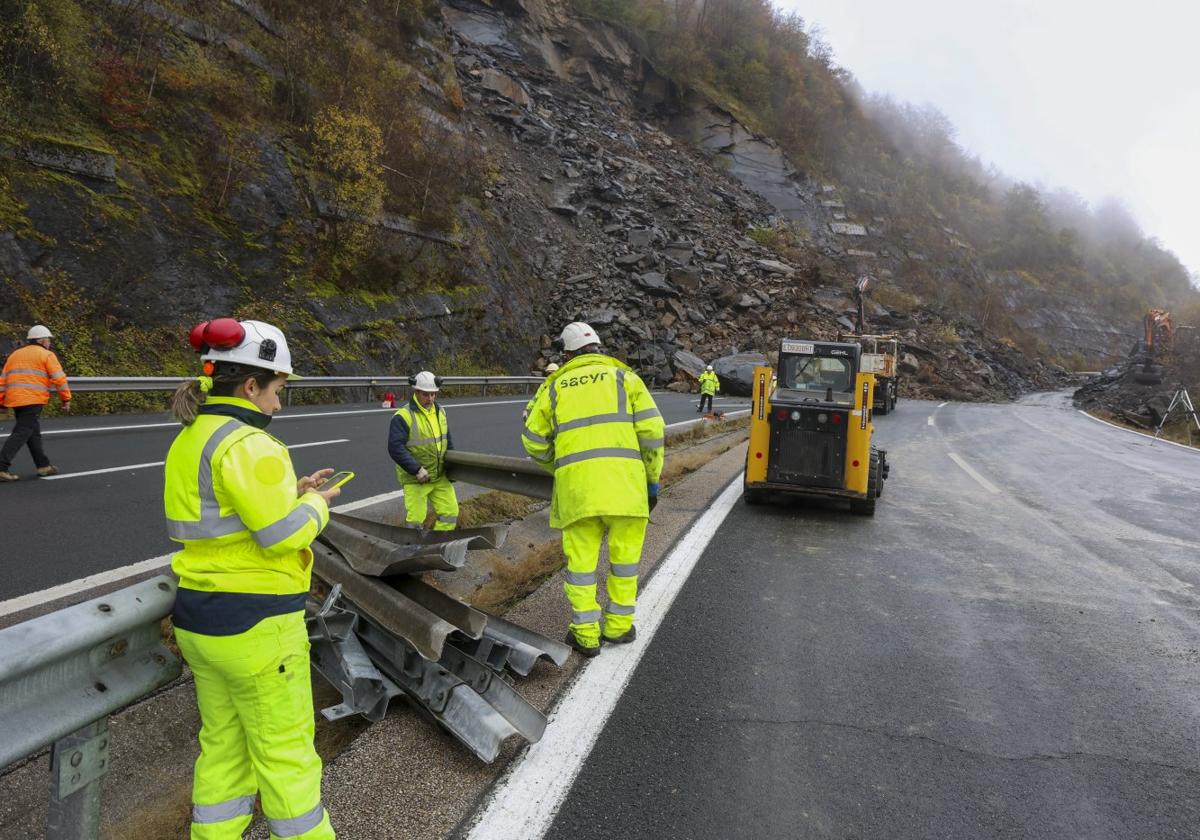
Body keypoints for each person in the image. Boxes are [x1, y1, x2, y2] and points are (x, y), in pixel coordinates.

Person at [163, 317, 339, 840]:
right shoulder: (251, 444)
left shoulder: (191, 437)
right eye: (277, 390)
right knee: (287, 755)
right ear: (250, 385)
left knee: (223, 747)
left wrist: (294, 489)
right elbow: (283, 534)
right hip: (258, 625)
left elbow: (227, 517)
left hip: (200, 618)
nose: (278, 404)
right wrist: (314, 503)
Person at [522, 322, 665, 656]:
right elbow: (653, 432)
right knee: (625, 563)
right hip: (626, 489)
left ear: (568, 354)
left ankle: (585, 635)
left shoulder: (554, 386)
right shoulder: (625, 377)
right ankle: (618, 628)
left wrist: (559, 465)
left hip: (578, 492)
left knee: (581, 566)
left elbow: (531, 440)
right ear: (598, 348)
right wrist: (651, 479)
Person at [0, 324, 71, 481]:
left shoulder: (15, 355)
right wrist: (66, 398)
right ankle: (1, 467)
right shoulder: (47, 355)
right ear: (42, 340)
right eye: (48, 340)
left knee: (32, 433)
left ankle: (43, 466)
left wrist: (2, 403)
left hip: (16, 399)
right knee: (22, 432)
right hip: (33, 399)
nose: (49, 343)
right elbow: (59, 378)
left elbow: (3, 380)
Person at [388, 370, 458, 530]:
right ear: (417, 392)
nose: (431, 398)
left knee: (450, 514)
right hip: (416, 479)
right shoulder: (403, 416)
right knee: (416, 521)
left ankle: (438, 548)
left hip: (440, 476)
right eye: (426, 395)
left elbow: (447, 440)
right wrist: (416, 469)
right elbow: (395, 448)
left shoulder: (440, 411)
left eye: (433, 394)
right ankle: (413, 552)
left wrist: (452, 467)